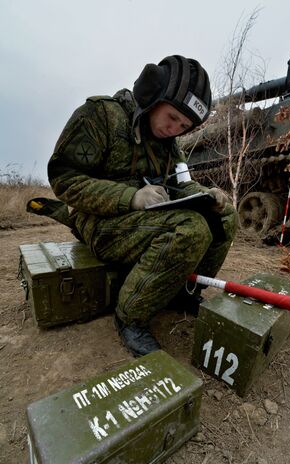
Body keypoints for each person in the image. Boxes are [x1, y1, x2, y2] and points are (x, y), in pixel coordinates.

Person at [47, 55, 238, 357]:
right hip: (99, 221)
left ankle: (180, 293)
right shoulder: (100, 117)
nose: (175, 128)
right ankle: (130, 317)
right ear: (152, 95)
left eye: (184, 125)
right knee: (191, 229)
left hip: (146, 219)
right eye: (172, 117)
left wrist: (206, 193)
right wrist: (130, 197)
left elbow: (182, 181)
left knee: (225, 217)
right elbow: (64, 180)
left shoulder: (169, 143)